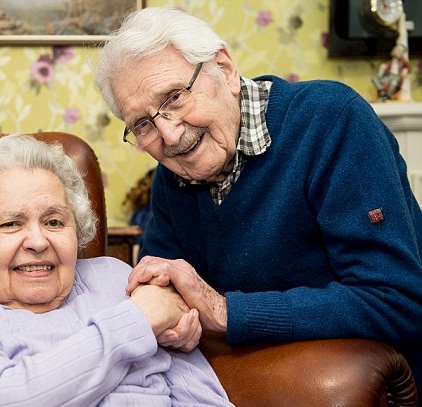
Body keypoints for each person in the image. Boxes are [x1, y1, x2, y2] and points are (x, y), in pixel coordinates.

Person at [94, 7, 422, 387]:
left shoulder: (332, 121)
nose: (168, 135)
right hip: (248, 378)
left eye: (174, 97)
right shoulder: (174, 175)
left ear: (226, 69)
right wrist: (173, 317)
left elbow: (398, 300)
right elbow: (167, 288)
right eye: (142, 124)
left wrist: (227, 312)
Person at [0, 134, 234, 406]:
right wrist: (136, 322)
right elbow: (3, 399)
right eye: (10, 224)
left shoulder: (115, 279)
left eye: (54, 221)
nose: (37, 241)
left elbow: (200, 394)